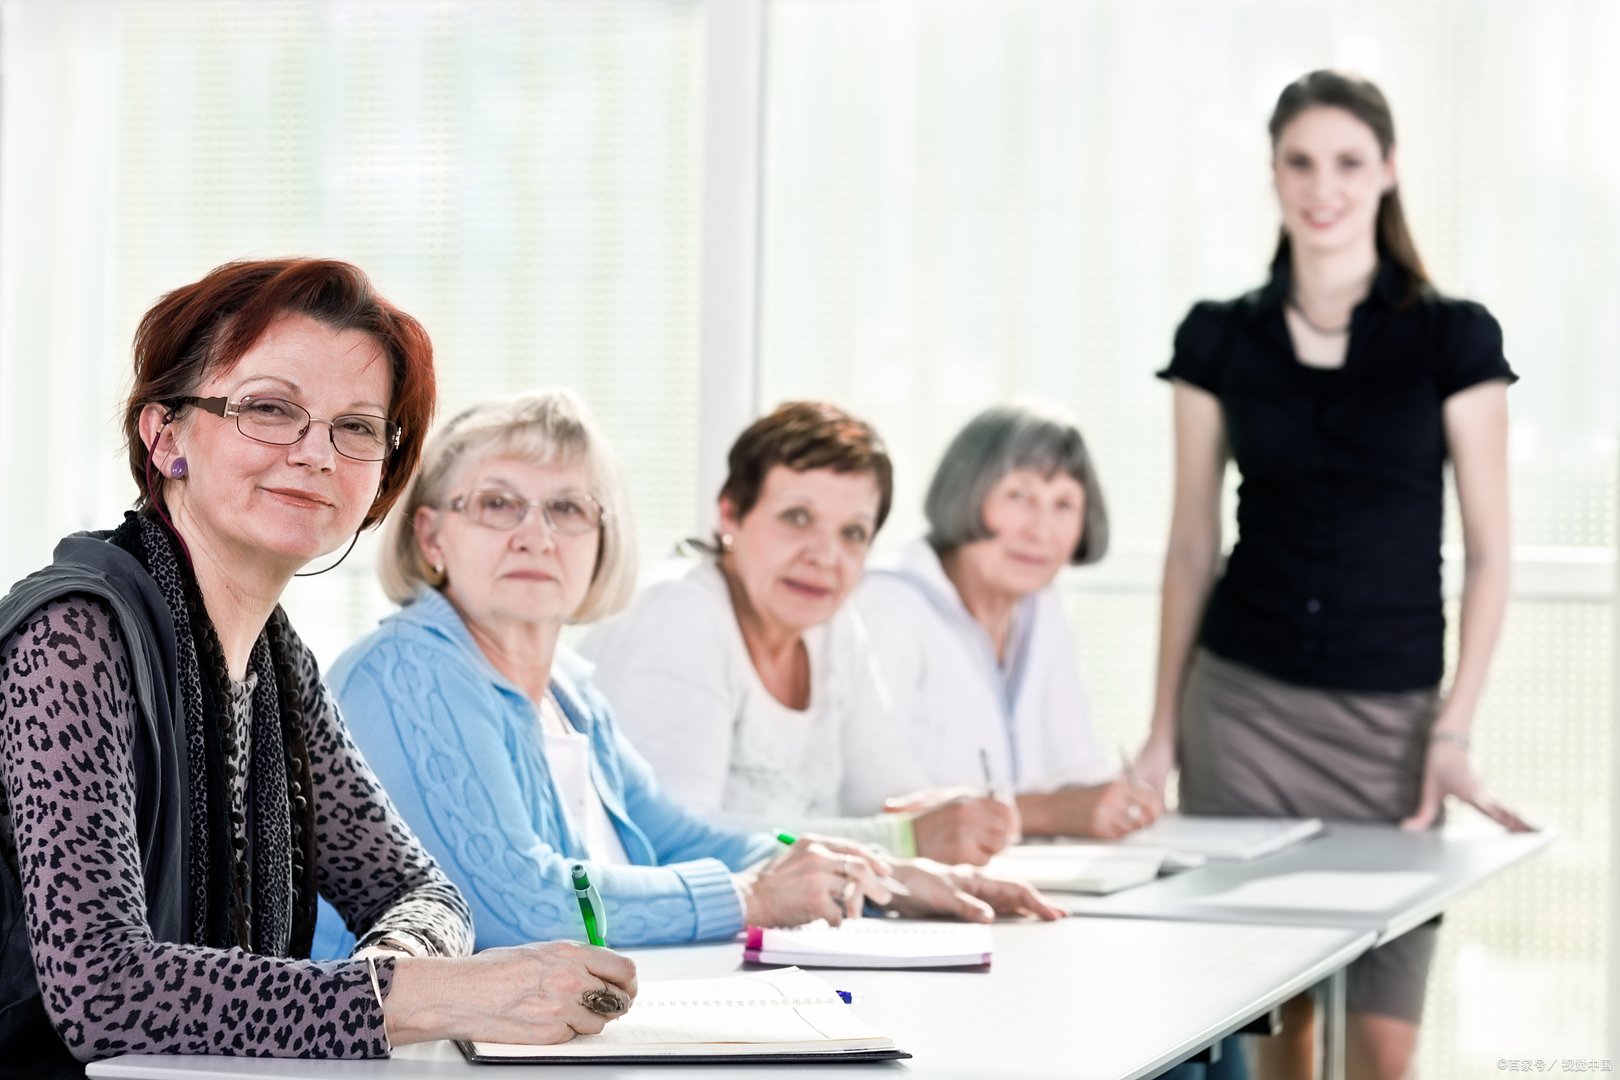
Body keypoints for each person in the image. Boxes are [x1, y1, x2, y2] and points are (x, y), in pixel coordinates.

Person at [0, 260, 637, 1077]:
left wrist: (393, 969)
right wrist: (436, 996)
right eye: (270, 409)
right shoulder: (72, 640)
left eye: (357, 427)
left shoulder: (276, 660)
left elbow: (422, 895)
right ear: (165, 437)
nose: (316, 454)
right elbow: (104, 992)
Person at [319, 390, 1060, 954]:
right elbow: (520, 906)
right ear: (432, 534)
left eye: (568, 508)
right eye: (497, 504)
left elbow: (683, 834)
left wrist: (868, 874)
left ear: (603, 540)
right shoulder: (410, 672)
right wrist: (749, 900)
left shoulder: (571, 690)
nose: (536, 536)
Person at [1134, 70, 1533, 1080]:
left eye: (1349, 162)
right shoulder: (1218, 338)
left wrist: (1453, 729)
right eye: (1301, 162)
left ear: (1388, 172)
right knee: (1279, 1037)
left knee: (1383, 1056)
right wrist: (1160, 736)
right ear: (1273, 174)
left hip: (1392, 733)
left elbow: (1490, 553)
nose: (1325, 187)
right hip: (1245, 716)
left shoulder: (1455, 337)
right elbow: (1190, 546)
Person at [583, 401, 1019, 865]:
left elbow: (887, 798)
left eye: (852, 532)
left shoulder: (833, 626)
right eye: (797, 517)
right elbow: (673, 838)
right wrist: (900, 841)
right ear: (730, 515)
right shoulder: (678, 614)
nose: (825, 556)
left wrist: (949, 821)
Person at [855, 403, 1162, 840]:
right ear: (966, 492)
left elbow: (1074, 765)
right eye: (1020, 496)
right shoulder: (887, 607)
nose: (1042, 531)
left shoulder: (1040, 607)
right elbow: (877, 808)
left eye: (1064, 504)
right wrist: (1047, 813)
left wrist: (1115, 800)